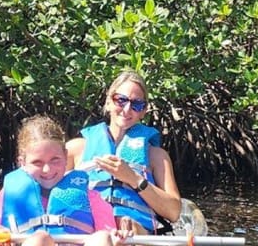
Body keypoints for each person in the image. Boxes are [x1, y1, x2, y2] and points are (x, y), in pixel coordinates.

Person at [0, 115, 128, 246]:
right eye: (37, 162)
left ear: (65, 156)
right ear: (22, 163)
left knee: (101, 238)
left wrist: (116, 238)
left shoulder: (90, 197)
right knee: (40, 239)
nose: (47, 170)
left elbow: (108, 232)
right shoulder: (9, 194)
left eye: (55, 160)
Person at [66, 70, 182, 235]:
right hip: (89, 229)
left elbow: (174, 212)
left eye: (136, 104)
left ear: (144, 110)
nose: (127, 109)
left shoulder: (157, 157)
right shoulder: (75, 149)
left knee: (128, 226)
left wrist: (133, 178)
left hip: (135, 233)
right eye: (121, 100)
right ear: (108, 102)